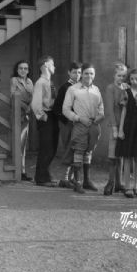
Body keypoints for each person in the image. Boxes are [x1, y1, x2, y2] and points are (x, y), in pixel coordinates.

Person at [62, 63, 105, 194]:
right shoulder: (73, 89)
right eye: (86, 73)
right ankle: (78, 182)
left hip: (93, 124)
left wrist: (100, 116)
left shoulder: (96, 89)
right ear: (82, 74)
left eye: (91, 73)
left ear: (94, 74)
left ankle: (86, 180)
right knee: (78, 151)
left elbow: (101, 107)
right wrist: (78, 118)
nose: (89, 76)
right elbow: (65, 109)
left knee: (89, 152)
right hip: (80, 124)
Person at [52, 62, 83, 189]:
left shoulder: (82, 87)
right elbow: (57, 108)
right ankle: (64, 178)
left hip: (78, 123)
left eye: (79, 72)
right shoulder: (65, 87)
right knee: (68, 149)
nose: (77, 74)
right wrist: (66, 121)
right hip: (67, 123)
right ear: (69, 73)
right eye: (75, 72)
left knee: (76, 149)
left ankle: (71, 179)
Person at [116, 68, 137, 198]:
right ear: (129, 80)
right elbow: (123, 112)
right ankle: (127, 186)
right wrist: (121, 129)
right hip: (129, 127)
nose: (134, 81)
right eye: (132, 79)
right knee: (127, 157)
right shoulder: (126, 92)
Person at [31, 55, 59, 187]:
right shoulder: (40, 82)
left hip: (52, 115)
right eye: (52, 64)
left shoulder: (49, 82)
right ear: (46, 65)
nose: (54, 67)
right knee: (46, 148)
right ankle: (41, 178)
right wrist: (44, 117)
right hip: (46, 116)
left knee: (52, 147)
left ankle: (45, 174)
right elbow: (36, 104)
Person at [103, 62, 128, 195]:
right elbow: (110, 109)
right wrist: (114, 127)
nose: (121, 78)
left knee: (121, 155)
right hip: (115, 124)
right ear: (114, 75)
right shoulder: (110, 88)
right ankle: (110, 182)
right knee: (113, 155)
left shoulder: (126, 88)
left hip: (125, 126)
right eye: (119, 75)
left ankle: (119, 183)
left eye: (124, 76)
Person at [10, 60, 34, 181]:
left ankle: (22, 171)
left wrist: (30, 107)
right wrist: (26, 106)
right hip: (18, 113)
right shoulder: (14, 80)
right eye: (20, 68)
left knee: (23, 144)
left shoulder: (30, 81)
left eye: (25, 68)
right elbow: (13, 95)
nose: (23, 70)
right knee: (18, 142)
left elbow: (33, 96)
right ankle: (17, 170)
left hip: (27, 115)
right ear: (17, 70)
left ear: (28, 70)